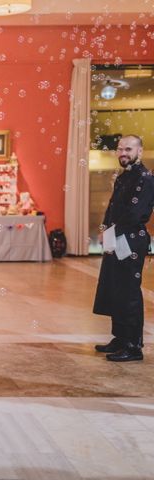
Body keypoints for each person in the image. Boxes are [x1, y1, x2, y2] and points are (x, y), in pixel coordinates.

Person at [94, 134, 154, 362]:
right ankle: (120, 338)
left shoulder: (145, 178)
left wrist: (110, 232)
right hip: (115, 238)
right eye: (120, 149)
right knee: (114, 288)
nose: (123, 153)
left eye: (128, 149)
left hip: (131, 241)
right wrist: (104, 228)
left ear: (140, 151)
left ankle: (133, 345)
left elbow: (135, 215)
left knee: (129, 293)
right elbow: (112, 208)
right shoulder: (124, 176)